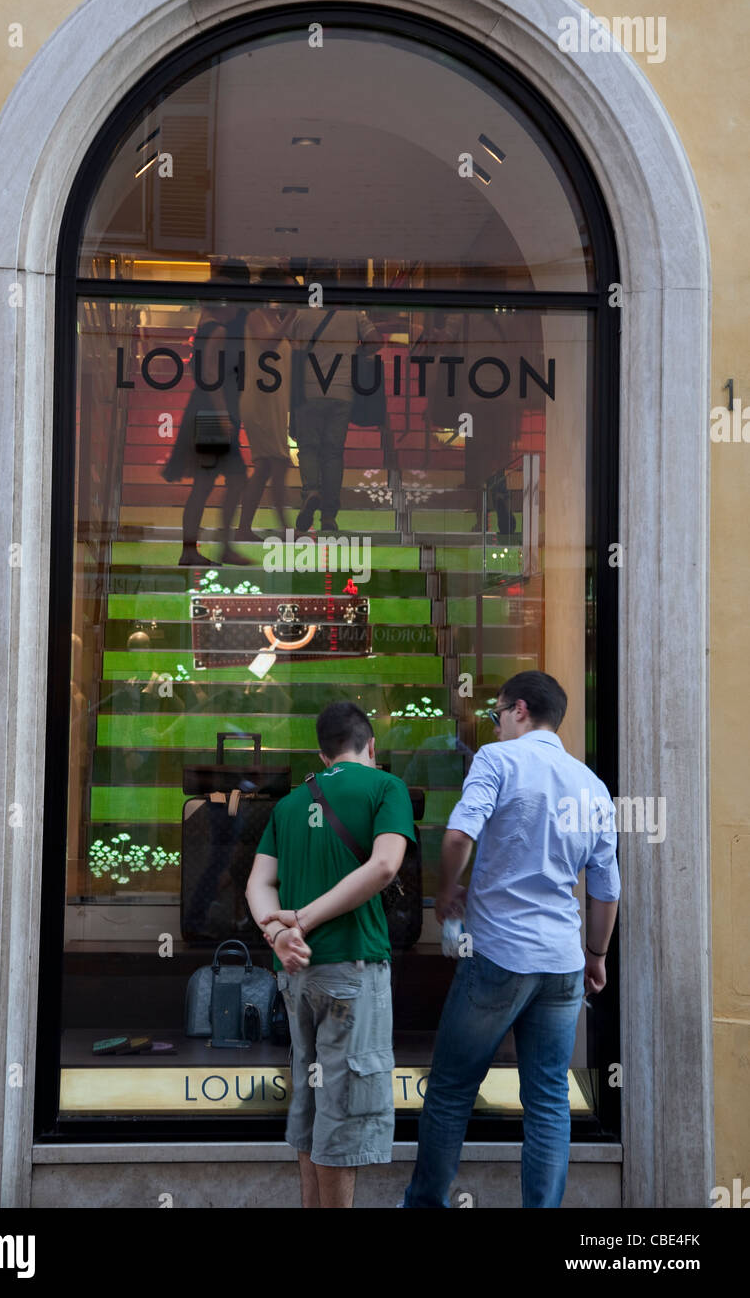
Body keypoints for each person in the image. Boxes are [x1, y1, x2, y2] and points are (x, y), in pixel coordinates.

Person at [403, 669, 620, 1209]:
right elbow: (606, 888)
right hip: (564, 962)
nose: (495, 725)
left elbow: (457, 835)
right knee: (548, 1099)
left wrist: (448, 891)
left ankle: (425, 1204)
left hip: (500, 954)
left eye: (497, 713)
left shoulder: (498, 761)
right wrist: (597, 956)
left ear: (519, 709)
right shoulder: (591, 785)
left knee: (451, 1090)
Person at [245, 701, 416, 1208]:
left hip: (295, 976)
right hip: (353, 972)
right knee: (344, 1115)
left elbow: (259, 884)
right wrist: (306, 920)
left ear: (321, 755)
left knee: (312, 1105)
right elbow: (385, 866)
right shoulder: (387, 788)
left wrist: (279, 935)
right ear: (371, 747)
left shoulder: (289, 805)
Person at [160, 259, 251, 567]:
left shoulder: (205, 325)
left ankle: (197, 549)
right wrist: (224, 416)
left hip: (205, 411)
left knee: (213, 482)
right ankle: (206, 548)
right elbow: (212, 376)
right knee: (226, 480)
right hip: (214, 413)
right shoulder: (219, 331)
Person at [288, 262, 380, 535]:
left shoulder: (302, 316)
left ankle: (311, 491)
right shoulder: (353, 315)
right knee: (333, 453)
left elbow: (289, 347)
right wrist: (357, 355)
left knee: (309, 447)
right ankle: (329, 516)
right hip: (343, 393)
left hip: (309, 392)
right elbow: (377, 341)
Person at [235, 267, 299, 540]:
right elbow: (267, 345)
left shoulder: (274, 318)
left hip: (272, 401)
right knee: (274, 463)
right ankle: (283, 528)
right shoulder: (256, 317)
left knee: (268, 466)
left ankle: (246, 529)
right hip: (260, 400)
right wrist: (291, 318)